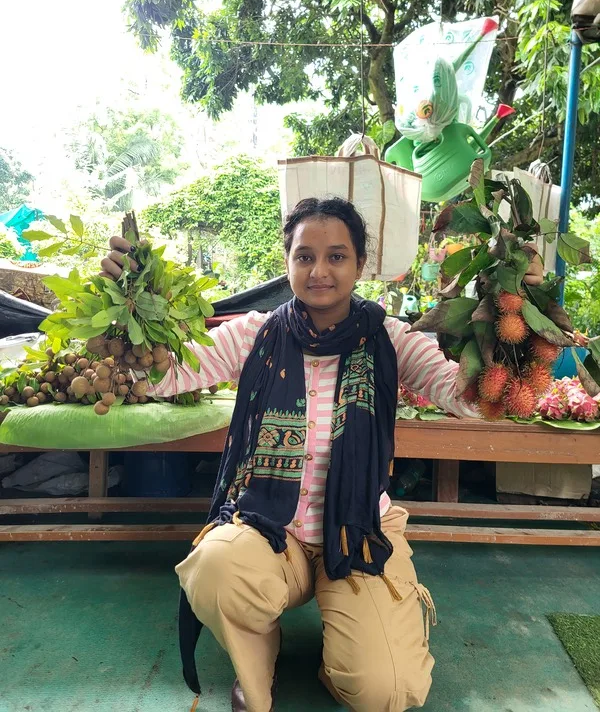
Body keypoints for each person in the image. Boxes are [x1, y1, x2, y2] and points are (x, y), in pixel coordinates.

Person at [102, 197, 543, 712]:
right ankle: (258, 655)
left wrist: (519, 312)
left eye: (336, 256)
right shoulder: (255, 333)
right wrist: (126, 307)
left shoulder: (390, 339)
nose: (319, 271)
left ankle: (347, 654)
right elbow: (165, 376)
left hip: (359, 528)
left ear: (360, 264)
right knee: (215, 570)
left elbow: (467, 398)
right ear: (287, 262)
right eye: (305, 256)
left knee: (385, 690)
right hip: (269, 526)